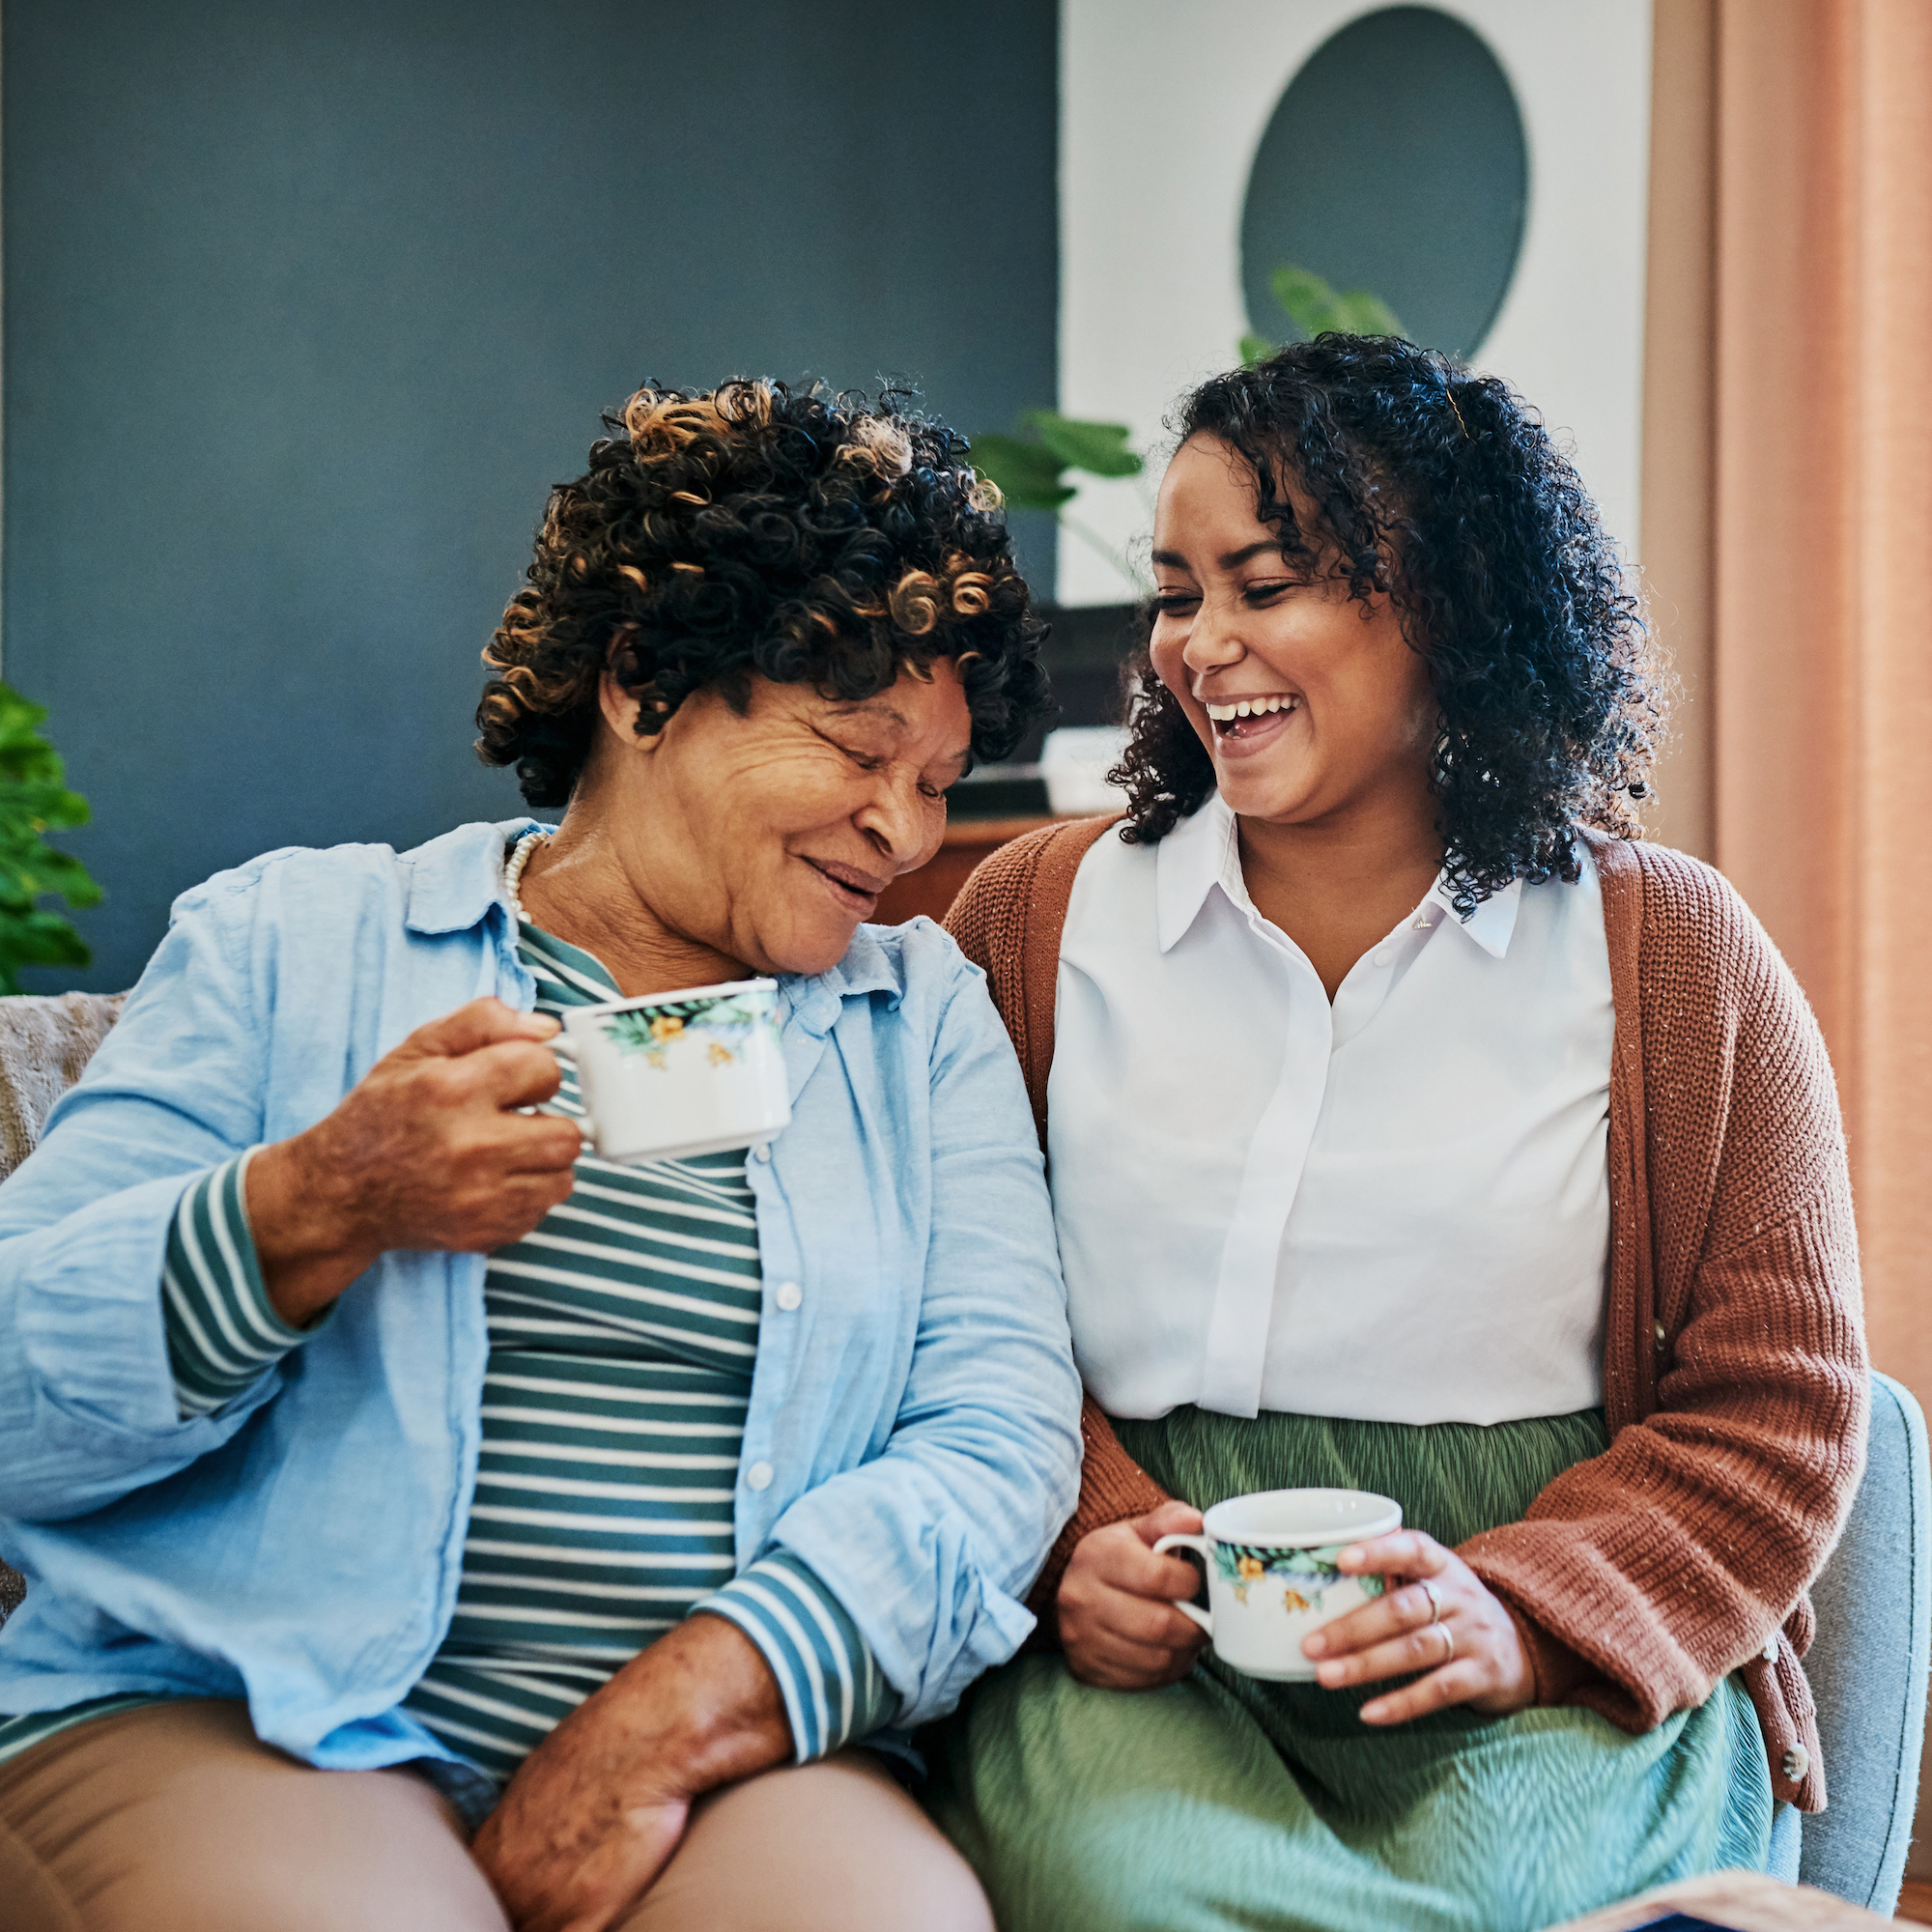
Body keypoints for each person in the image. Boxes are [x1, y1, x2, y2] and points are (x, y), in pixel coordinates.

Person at [0, 379, 1082, 1932]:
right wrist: (310, 1207)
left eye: (935, 785)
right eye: (862, 751)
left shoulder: (920, 1026)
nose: (905, 836)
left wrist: (669, 1725)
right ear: (645, 682)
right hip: (241, 1705)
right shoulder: (291, 941)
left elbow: (994, 1440)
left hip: (728, 1748)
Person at [930, 338, 1867, 1932]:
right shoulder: (1028, 923)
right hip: (1150, 1641)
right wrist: (1069, 1550)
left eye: (1266, 581)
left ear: (1446, 602)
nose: (1202, 645)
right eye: (1176, 595)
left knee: (1518, 1905)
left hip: (1542, 1634)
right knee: (1132, 1893)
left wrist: (1524, 1612)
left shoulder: (1677, 955)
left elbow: (1780, 1403)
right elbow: (943, 1318)